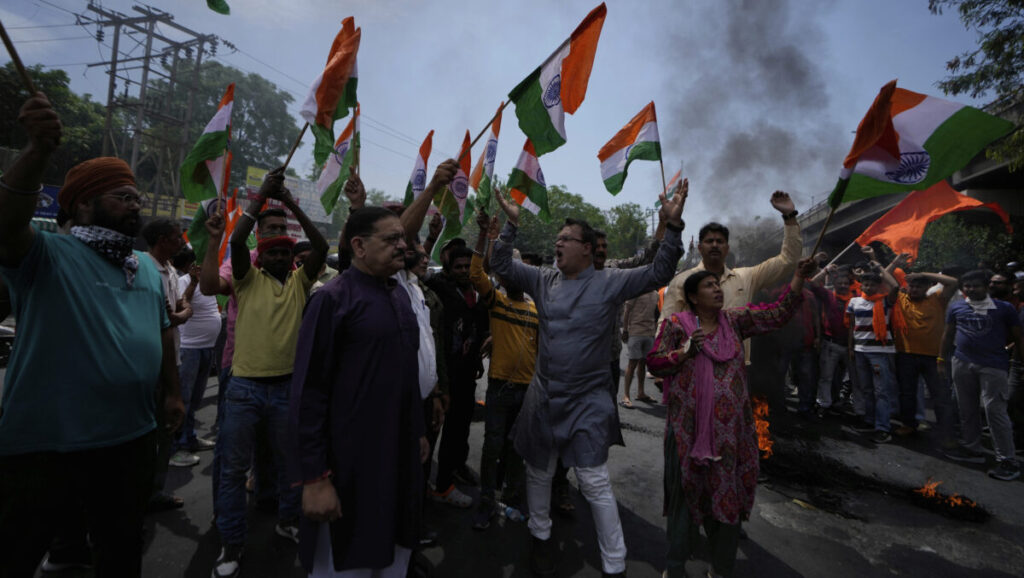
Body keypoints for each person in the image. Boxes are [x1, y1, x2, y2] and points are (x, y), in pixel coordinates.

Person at [0, 93, 183, 577]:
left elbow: (162, 329)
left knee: (120, 551)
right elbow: (5, 224)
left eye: (137, 198)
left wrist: (172, 392)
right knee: (16, 554)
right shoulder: (46, 254)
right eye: (122, 196)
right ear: (83, 204)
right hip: (47, 447)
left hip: (130, 441)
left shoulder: (143, 265)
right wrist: (37, 152)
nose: (135, 206)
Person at [491, 182, 687, 578]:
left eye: (566, 238)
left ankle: (615, 564)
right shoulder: (543, 280)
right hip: (544, 395)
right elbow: (502, 266)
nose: (558, 243)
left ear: (586, 248)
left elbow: (661, 271)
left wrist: (674, 226)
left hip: (588, 399)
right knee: (539, 471)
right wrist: (510, 226)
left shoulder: (611, 281)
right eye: (558, 238)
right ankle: (540, 535)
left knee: (594, 480)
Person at [647, 257, 815, 578]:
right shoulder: (676, 326)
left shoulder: (736, 321)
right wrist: (683, 353)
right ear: (693, 296)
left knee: (727, 501)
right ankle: (675, 566)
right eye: (709, 285)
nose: (718, 289)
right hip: (687, 435)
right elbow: (654, 362)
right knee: (684, 500)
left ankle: (720, 569)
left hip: (730, 437)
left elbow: (778, 314)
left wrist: (798, 277)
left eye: (718, 284)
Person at [290, 206, 429, 578]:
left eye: (403, 238)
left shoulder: (400, 297)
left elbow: (406, 375)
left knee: (396, 552)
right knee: (347, 557)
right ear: (359, 246)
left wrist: (417, 430)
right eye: (391, 239)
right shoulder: (331, 300)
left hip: (399, 458)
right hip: (348, 465)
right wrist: (315, 478)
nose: (403, 246)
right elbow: (308, 393)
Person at [211, 168, 328, 578]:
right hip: (244, 388)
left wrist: (291, 203)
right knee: (232, 470)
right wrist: (261, 197)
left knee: (288, 465)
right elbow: (238, 241)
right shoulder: (245, 280)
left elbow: (321, 245)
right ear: (261, 255)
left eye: (284, 252)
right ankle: (231, 542)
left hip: (286, 389)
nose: (279, 256)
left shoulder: (300, 283)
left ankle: (288, 520)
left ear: (292, 259)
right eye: (272, 251)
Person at [660, 192, 802, 365]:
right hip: (693, 368)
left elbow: (788, 261)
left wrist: (789, 216)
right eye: (709, 241)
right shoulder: (682, 281)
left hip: (736, 369)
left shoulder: (746, 277)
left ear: (727, 249)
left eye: (719, 241)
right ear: (700, 248)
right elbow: (664, 326)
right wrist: (664, 366)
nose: (714, 245)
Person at [470, 211, 539, 531]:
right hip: (499, 387)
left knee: (516, 449)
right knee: (492, 447)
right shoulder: (496, 301)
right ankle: (486, 502)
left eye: (515, 272)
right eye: (506, 272)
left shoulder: (535, 310)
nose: (510, 277)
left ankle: (511, 499)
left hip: (527, 390)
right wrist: (484, 235)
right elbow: (475, 273)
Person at [941, 270, 1023, 481]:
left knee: (994, 411)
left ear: (987, 287)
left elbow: (1018, 337)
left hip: (993, 365)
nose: (970, 289)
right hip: (961, 362)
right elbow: (948, 334)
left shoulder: (1004, 308)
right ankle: (972, 448)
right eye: (967, 286)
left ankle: (1007, 460)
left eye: (975, 285)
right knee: (967, 408)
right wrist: (941, 358)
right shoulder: (957, 307)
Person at [425, 241, 489, 508]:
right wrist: (433, 239)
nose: (463, 271)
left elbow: (482, 326)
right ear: (448, 269)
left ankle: (449, 476)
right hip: (443, 375)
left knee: (459, 428)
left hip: (467, 374)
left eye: (467, 267)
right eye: (458, 266)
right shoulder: (440, 287)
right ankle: (424, 485)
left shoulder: (478, 293)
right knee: (432, 430)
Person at [142, 218, 194, 502]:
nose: (181, 242)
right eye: (177, 237)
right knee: (146, 431)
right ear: (162, 240)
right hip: (150, 362)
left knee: (166, 429)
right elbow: (164, 318)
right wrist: (178, 315)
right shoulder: (143, 269)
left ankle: (154, 492)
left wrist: (182, 313)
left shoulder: (171, 270)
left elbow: (180, 307)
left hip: (172, 359)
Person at [886, 255, 958, 444]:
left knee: (940, 396)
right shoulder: (901, 298)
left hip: (934, 357)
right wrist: (894, 264)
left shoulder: (938, 299)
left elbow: (953, 282)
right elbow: (884, 276)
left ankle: (946, 432)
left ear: (927, 287)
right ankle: (908, 424)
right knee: (907, 393)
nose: (914, 289)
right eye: (912, 286)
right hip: (906, 354)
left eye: (919, 286)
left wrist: (923, 273)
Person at [171, 249, 221, 466]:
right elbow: (182, 303)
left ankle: (189, 438)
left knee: (195, 399)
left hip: (207, 348)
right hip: (189, 349)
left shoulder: (210, 283)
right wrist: (192, 282)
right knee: (183, 399)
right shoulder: (183, 281)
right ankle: (176, 448)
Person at [846, 265, 900, 444]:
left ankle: (883, 428)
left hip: (880, 352)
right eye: (866, 284)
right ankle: (869, 421)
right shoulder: (854, 302)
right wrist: (851, 348)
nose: (869, 287)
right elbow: (851, 327)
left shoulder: (885, 301)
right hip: (860, 351)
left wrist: (879, 268)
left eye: (873, 285)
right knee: (866, 389)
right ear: (861, 285)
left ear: (879, 286)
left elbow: (895, 286)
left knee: (881, 391)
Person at [621, 290, 660, 406]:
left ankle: (641, 393)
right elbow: (627, 311)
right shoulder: (635, 292)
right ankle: (626, 396)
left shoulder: (656, 294)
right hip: (635, 331)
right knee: (632, 363)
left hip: (649, 332)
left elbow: (655, 313)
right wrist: (625, 330)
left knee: (643, 363)